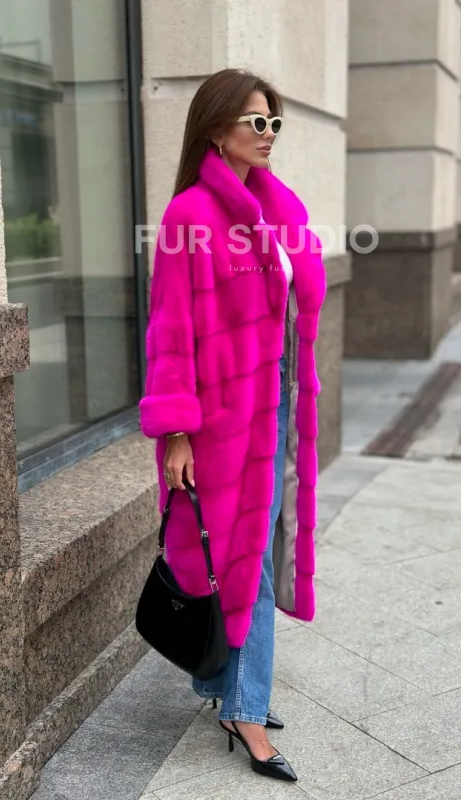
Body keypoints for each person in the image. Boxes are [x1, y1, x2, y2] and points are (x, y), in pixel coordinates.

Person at [139, 68, 326, 783]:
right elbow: (171, 330)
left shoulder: (274, 209)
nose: (269, 134)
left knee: (249, 552)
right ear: (217, 129)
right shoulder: (189, 216)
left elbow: (297, 298)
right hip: (220, 420)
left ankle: (227, 688)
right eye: (256, 122)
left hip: (272, 404)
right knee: (243, 562)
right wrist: (176, 431)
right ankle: (246, 710)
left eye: (274, 122)